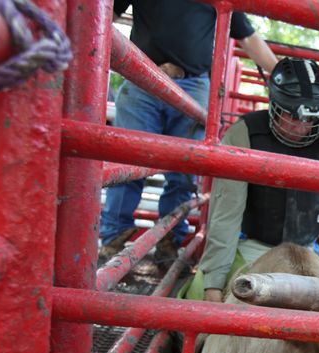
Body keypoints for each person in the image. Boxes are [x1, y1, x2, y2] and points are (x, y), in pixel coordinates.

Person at [98, 1, 279, 268]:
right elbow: (103, 14)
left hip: (191, 83)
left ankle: (169, 240)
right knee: (127, 162)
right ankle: (113, 240)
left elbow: (248, 37)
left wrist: (282, 75)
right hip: (142, 76)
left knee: (184, 170)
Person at [199, 58, 319, 303]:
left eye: (309, 119)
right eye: (292, 115)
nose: (302, 126)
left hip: (309, 250)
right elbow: (226, 212)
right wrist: (213, 283)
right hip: (252, 245)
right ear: (274, 104)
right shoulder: (246, 133)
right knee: (199, 304)